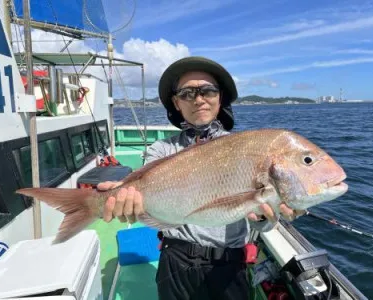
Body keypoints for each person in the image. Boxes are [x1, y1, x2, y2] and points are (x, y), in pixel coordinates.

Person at [98, 56, 301, 300]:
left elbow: (262, 221)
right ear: (176, 102)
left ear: (219, 98)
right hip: (175, 260)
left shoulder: (245, 147)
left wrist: (263, 217)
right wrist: (123, 199)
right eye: (187, 93)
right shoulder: (161, 150)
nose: (199, 99)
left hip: (228, 263)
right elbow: (145, 192)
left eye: (208, 91)